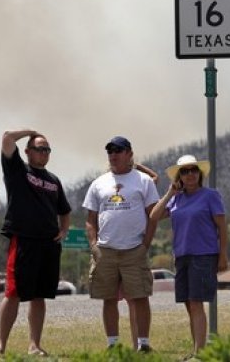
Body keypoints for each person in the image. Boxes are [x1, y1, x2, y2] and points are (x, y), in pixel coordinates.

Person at [0, 129, 72, 357]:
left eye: (47, 149)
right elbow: (6, 137)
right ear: (27, 151)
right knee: (13, 293)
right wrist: (31, 131)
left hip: (48, 243)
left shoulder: (54, 180)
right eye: (40, 148)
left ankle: (34, 345)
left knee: (39, 295)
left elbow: (65, 211)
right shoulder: (18, 169)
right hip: (24, 240)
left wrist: (63, 230)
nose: (44, 153)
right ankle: (0, 345)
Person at [82, 136, 160, 352]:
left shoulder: (143, 181)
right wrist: (94, 245)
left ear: (129, 154)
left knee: (140, 296)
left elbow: (152, 216)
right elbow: (90, 219)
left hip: (134, 249)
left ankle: (143, 344)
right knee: (108, 298)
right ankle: (112, 344)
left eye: (118, 150)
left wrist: (145, 244)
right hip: (105, 250)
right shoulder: (98, 183)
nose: (113, 155)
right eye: (110, 151)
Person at [149, 154, 228, 360]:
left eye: (193, 170)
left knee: (195, 302)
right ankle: (196, 350)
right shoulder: (176, 198)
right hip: (182, 256)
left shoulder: (211, 196)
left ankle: (200, 354)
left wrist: (223, 255)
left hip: (204, 255)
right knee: (188, 304)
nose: (190, 174)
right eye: (185, 171)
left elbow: (222, 226)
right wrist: (168, 193)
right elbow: (154, 216)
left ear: (199, 174)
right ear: (179, 177)